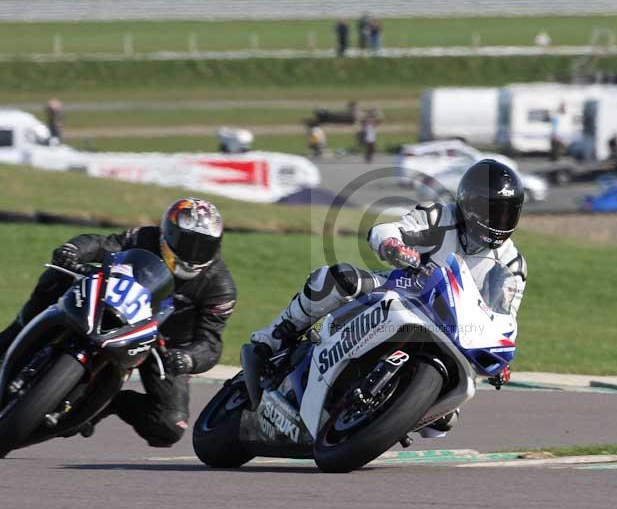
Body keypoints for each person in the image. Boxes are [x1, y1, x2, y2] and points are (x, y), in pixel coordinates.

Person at [251, 159, 527, 433]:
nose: (497, 221)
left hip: (453, 330)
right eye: (490, 211)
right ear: (469, 204)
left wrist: (502, 361)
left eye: (506, 213)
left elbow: (504, 317)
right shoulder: (440, 216)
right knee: (339, 279)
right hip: (405, 288)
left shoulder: (512, 264)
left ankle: (385, 416)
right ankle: (274, 337)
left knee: (444, 421)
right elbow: (389, 229)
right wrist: (393, 244)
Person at [0, 198, 237, 447]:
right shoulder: (145, 237)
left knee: (168, 425)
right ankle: (15, 334)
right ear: (168, 233)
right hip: (114, 304)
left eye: (204, 245)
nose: (193, 252)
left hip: (163, 346)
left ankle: (106, 403)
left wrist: (187, 358)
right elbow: (103, 245)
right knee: (58, 275)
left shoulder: (220, 287)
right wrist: (73, 250)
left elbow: (210, 343)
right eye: (186, 241)